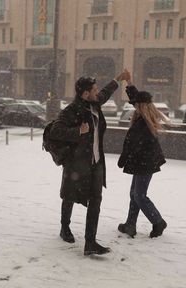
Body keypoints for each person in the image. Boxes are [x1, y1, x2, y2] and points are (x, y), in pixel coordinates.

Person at [50, 71, 128, 255]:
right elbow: (55, 131)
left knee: (95, 201)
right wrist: (78, 131)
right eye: (94, 89)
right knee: (69, 196)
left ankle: (90, 242)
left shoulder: (94, 103)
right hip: (76, 163)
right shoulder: (71, 110)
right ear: (85, 93)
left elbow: (105, 93)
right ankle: (65, 227)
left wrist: (117, 79)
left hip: (96, 163)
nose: (97, 92)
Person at [117, 74, 168, 239]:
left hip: (145, 163)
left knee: (139, 195)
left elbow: (132, 144)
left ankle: (158, 221)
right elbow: (136, 98)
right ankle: (130, 225)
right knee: (135, 194)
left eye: (136, 105)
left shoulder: (142, 123)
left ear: (141, 107)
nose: (134, 106)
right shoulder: (145, 114)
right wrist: (129, 82)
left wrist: (122, 160)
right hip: (144, 162)